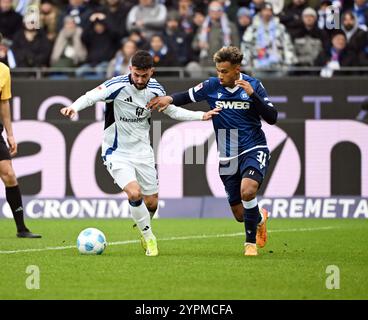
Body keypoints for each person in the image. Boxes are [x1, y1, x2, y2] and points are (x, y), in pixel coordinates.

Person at [60, 50, 220, 257]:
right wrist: (74, 107)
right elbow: (91, 96)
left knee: (151, 202)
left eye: (144, 75)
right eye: (136, 74)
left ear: (151, 72)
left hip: (143, 152)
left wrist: (201, 116)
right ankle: (149, 238)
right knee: (134, 193)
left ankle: (144, 227)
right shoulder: (115, 85)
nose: (139, 79)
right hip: (116, 152)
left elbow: (172, 110)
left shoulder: (155, 89)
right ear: (130, 69)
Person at [148, 46, 277, 257]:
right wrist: (168, 99)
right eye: (218, 70)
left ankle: (249, 244)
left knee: (248, 190)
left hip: (253, 147)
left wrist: (253, 96)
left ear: (237, 69)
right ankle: (260, 218)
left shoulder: (253, 85)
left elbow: (272, 117)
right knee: (239, 214)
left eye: (224, 71)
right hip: (227, 154)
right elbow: (186, 96)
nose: (220, 75)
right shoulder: (211, 85)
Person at [0, 34, 41, 238]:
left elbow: (4, 103)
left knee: (9, 174)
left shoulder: (3, 71)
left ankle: (21, 228)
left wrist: (10, 134)